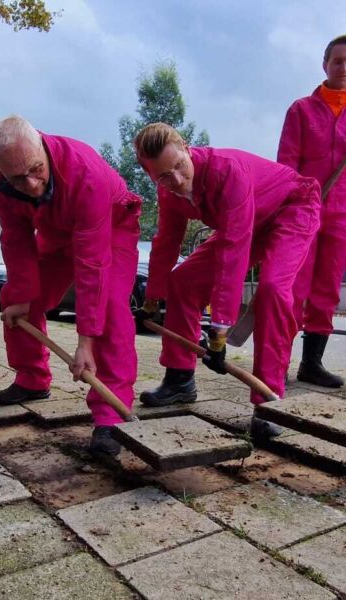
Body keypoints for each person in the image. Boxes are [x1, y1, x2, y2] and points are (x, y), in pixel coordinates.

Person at [134, 122, 321, 437]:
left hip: (292, 208)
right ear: (150, 174)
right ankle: (179, 380)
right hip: (251, 221)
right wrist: (152, 298)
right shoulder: (169, 194)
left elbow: (233, 253)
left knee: (274, 289)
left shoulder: (226, 172)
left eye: (180, 166)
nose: (177, 180)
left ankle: (268, 403)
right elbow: (165, 243)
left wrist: (219, 328)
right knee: (182, 281)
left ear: (187, 149)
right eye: (164, 176)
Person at [0, 115, 141, 456]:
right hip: (57, 232)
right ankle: (32, 379)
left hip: (111, 227)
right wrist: (25, 295)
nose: (32, 185)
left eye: (36, 170)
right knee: (15, 296)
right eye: (17, 178)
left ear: (41, 144)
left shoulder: (86, 174)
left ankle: (108, 415)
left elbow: (92, 264)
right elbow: (16, 235)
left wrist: (85, 340)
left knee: (110, 310)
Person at [278, 35, 346, 388]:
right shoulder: (301, 110)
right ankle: (277, 363)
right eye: (338, 61)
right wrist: (287, 206)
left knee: (327, 288)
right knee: (293, 287)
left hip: (342, 216)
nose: (344, 68)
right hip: (303, 212)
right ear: (325, 65)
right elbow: (286, 164)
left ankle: (312, 364)